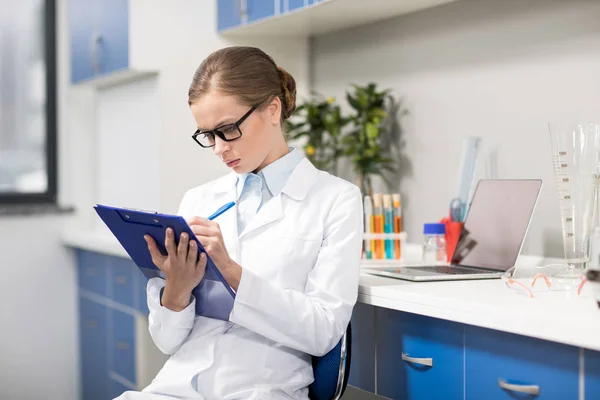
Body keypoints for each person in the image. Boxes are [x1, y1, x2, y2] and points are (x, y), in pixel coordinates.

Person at [116, 46, 363, 400]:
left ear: (273, 109)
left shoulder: (335, 200)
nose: (218, 148)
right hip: (174, 390)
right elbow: (167, 341)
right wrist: (177, 289)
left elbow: (324, 331)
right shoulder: (199, 200)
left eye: (228, 129)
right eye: (207, 135)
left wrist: (231, 271)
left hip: (259, 390)